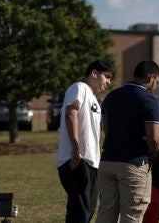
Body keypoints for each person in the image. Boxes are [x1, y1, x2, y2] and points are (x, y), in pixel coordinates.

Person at [97, 60, 159, 223]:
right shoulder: (149, 101)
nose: (156, 84)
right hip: (134, 163)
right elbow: (154, 139)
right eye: (157, 81)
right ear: (151, 77)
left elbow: (106, 129)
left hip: (107, 162)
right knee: (132, 215)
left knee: (106, 212)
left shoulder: (111, 97)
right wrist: (154, 154)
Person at [56, 60, 114, 223]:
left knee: (87, 210)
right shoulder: (79, 87)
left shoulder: (95, 101)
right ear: (94, 73)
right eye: (107, 76)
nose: (109, 82)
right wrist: (76, 149)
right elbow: (71, 112)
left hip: (92, 162)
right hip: (76, 159)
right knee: (80, 211)